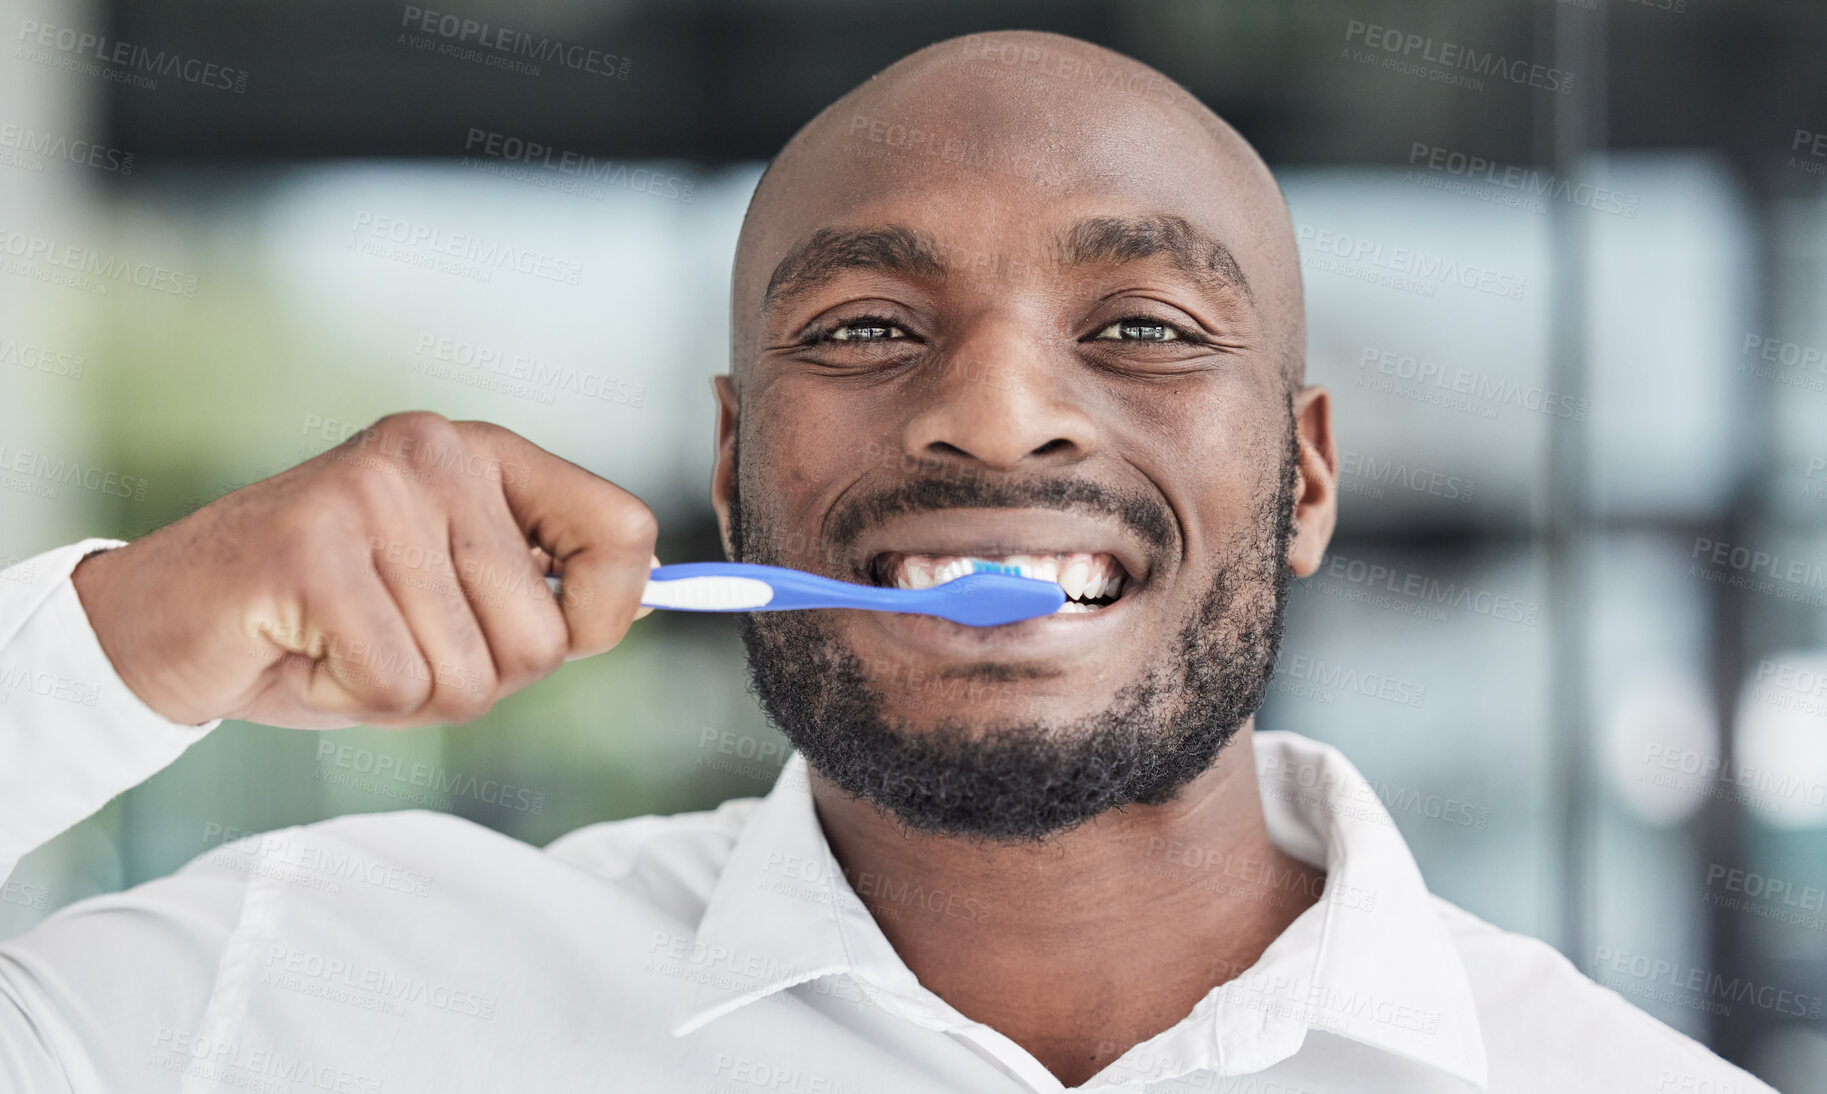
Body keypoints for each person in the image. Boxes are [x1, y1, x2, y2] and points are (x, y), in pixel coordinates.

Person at [0, 29, 1778, 1094]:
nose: (996, 418)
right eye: (860, 328)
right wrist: (119, 645)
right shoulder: (300, 989)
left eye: (1147, 325)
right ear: (730, 467)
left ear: (1305, 481)